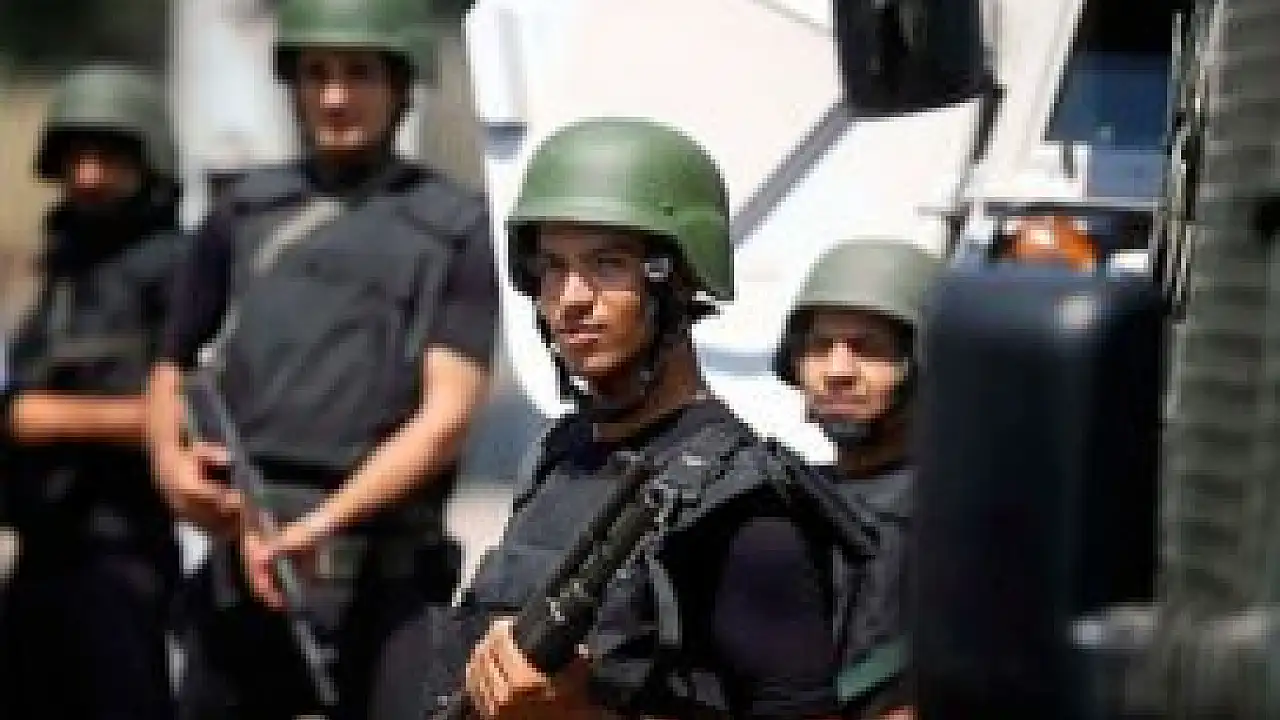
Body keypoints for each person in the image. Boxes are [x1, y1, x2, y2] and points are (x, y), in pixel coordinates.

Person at [373, 117, 851, 720]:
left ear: (678, 282)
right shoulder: (559, 458)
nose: (571, 298)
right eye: (552, 268)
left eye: (607, 265)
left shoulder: (741, 506)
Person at [144, 0, 500, 717]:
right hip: (248, 557)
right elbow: (170, 366)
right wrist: (171, 467)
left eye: (359, 73)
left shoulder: (456, 226)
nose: (335, 96)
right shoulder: (242, 212)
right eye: (316, 74)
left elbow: (446, 417)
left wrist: (324, 523)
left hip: (385, 572)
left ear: (401, 85)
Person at [0, 62, 186, 720]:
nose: (88, 176)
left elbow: (197, 411)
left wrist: (44, 417)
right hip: (44, 551)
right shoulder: (64, 270)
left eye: (108, 158)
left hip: (125, 554)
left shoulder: (176, 268)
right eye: (75, 158)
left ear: (148, 163)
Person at [772, 239, 942, 720]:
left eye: (868, 350)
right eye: (819, 347)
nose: (837, 371)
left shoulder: (960, 517)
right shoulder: (788, 497)